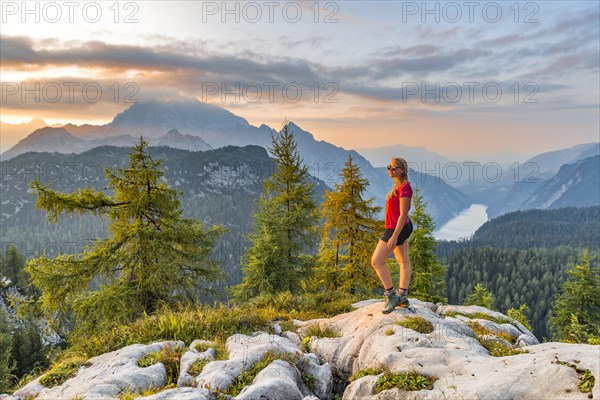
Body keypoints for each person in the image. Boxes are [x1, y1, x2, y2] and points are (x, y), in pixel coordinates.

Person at [371, 157, 413, 314]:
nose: (390, 170)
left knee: (376, 262)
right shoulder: (399, 186)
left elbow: (403, 214)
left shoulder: (405, 188)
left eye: (393, 168)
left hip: (397, 229)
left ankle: (392, 296)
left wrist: (394, 236)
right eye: (389, 167)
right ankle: (402, 295)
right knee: (403, 261)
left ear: (402, 169)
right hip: (398, 228)